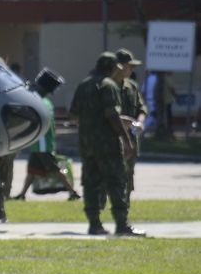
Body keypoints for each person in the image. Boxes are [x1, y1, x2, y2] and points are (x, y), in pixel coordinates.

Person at [71, 52, 141, 237]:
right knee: (116, 182)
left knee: (91, 183)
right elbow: (113, 116)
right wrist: (126, 140)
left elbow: (74, 114)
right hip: (107, 145)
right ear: (113, 67)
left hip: (87, 144)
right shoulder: (108, 85)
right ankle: (122, 224)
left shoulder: (83, 85)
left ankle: (94, 224)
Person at [13, 68, 80, 201]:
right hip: (39, 143)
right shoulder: (46, 102)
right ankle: (22, 194)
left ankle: (73, 192)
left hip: (42, 144)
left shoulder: (40, 102)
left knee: (55, 169)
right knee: (32, 170)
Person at [115, 49, 147, 200]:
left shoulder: (132, 86)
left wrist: (139, 121)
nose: (132, 70)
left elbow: (141, 108)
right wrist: (123, 120)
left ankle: (124, 207)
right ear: (120, 66)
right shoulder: (106, 87)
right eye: (130, 66)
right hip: (112, 139)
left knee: (128, 175)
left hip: (131, 139)